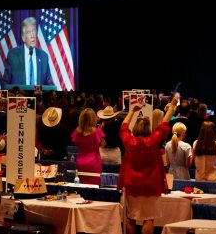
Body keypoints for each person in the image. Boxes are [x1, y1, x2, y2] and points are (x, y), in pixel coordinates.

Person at [117, 97, 178, 234]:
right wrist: (172, 107)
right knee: (149, 219)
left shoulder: (129, 141)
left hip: (131, 185)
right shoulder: (153, 141)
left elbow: (124, 127)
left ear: (136, 128)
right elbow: (164, 124)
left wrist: (132, 111)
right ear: (149, 128)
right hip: (151, 186)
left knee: (130, 219)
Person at [2, 17, 53, 89]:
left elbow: (49, 84)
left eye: (34, 31)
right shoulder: (13, 55)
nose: (32, 35)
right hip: (19, 97)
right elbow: (5, 82)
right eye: (29, 32)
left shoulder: (43, 56)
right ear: (23, 38)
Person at [71, 108, 106, 185]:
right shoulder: (97, 131)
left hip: (80, 162)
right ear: (93, 119)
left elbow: (76, 143)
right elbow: (103, 144)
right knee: (94, 187)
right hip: (94, 162)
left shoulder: (77, 131)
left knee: (80, 186)